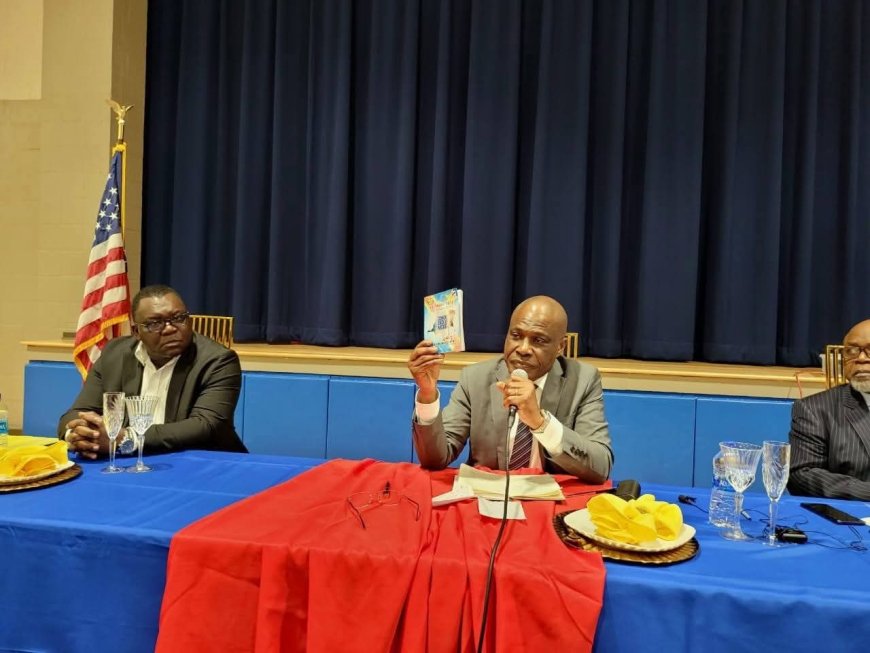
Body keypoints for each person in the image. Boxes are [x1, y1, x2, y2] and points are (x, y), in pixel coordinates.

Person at [408, 295, 612, 482]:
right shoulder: (476, 378)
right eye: (516, 335)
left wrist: (540, 423)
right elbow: (435, 459)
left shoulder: (583, 381)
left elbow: (600, 466)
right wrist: (427, 394)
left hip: (551, 501)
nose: (523, 349)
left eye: (538, 340)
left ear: (560, 347)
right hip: (486, 498)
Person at [58, 284, 247, 458]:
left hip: (199, 461)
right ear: (136, 332)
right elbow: (78, 412)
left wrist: (126, 439)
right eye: (155, 323)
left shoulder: (217, 361)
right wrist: (79, 435)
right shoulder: (114, 354)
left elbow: (205, 425)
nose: (170, 329)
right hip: (129, 462)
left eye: (179, 318)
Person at [788, 319, 870, 500]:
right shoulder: (814, 409)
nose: (861, 358)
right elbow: (801, 474)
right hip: (848, 514)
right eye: (852, 351)